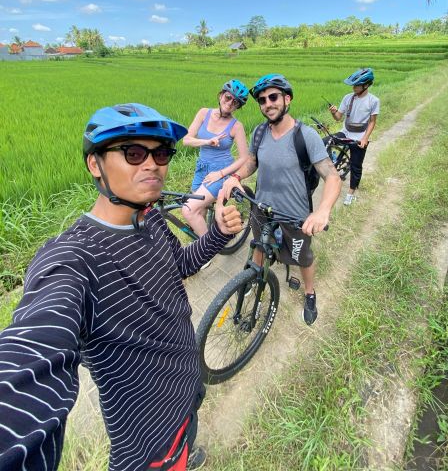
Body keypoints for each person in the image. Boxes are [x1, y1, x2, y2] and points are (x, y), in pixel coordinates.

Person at [0, 103, 242, 471]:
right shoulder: (75, 257)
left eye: (160, 153)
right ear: (94, 164)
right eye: (133, 153)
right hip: (150, 442)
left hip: (187, 390)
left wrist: (220, 234)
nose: (152, 164)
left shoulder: (151, 218)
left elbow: (181, 265)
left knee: (189, 433)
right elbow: (31, 357)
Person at [223, 74, 341, 326]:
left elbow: (332, 177)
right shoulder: (259, 132)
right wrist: (235, 176)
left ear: (287, 99)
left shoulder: (305, 136)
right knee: (258, 245)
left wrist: (321, 212)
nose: (268, 103)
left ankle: (310, 293)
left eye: (273, 97)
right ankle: (254, 278)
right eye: (263, 100)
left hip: (294, 216)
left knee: (302, 257)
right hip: (261, 209)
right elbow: (252, 163)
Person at [182, 80, 249, 267]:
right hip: (201, 168)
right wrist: (207, 142)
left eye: (236, 102)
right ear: (221, 95)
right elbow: (187, 140)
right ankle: (200, 242)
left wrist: (220, 174)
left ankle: (207, 250)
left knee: (188, 210)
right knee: (199, 210)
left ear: (238, 106)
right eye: (228, 98)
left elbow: (243, 158)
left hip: (222, 171)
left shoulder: (236, 126)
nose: (230, 103)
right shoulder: (204, 113)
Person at [328, 67, 380, 205]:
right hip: (346, 132)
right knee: (324, 142)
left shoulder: (373, 101)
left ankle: (351, 194)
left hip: (360, 135)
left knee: (356, 165)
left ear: (366, 85)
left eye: (357, 85)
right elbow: (338, 117)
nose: (354, 87)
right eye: (354, 84)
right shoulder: (348, 98)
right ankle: (334, 160)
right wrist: (333, 112)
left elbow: (372, 122)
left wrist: (364, 138)